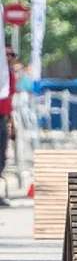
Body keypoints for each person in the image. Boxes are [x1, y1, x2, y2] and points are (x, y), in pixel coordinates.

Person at [0, 47, 16, 181]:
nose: (9, 57)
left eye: (11, 55)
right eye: (6, 54)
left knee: (2, 156)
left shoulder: (10, 74)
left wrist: (12, 123)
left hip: (4, 117)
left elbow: (10, 99)